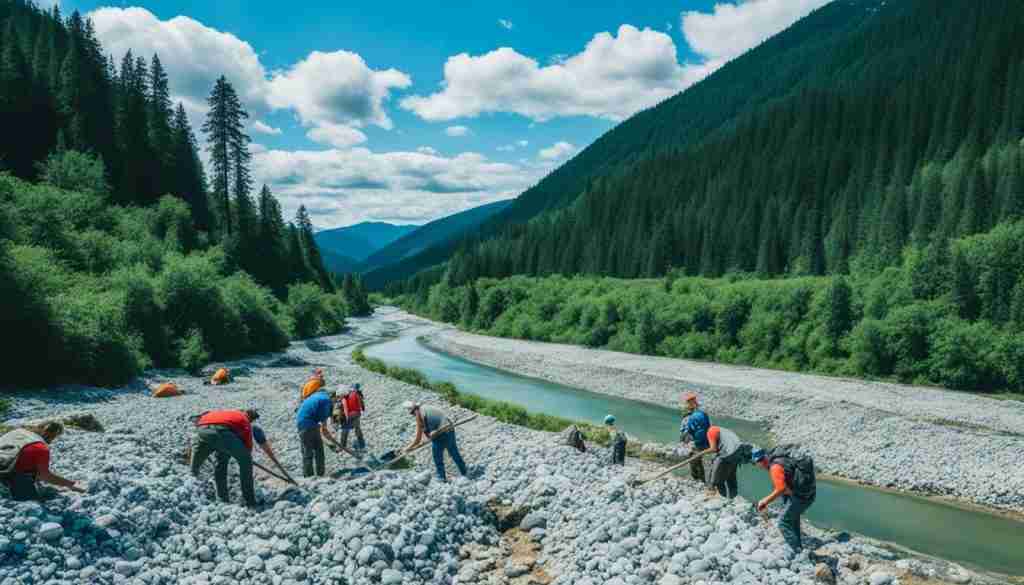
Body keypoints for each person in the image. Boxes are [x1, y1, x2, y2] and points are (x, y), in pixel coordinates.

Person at [752, 446, 817, 552]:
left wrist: (765, 501)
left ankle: (798, 552)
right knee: (793, 518)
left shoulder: (775, 467)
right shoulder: (780, 459)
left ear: (761, 461)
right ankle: (798, 544)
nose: (758, 466)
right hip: (809, 491)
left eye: (757, 463)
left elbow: (781, 489)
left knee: (783, 523)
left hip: (801, 497)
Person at [190, 409, 261, 506]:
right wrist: (245, 456)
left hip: (202, 429)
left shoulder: (230, 413)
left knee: (221, 459)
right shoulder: (245, 420)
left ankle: (222, 498)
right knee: (246, 461)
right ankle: (250, 501)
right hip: (221, 432)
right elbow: (247, 447)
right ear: (250, 418)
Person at [1, 423, 85, 501]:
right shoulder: (41, 448)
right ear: (52, 436)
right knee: (34, 503)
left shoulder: (16, 432)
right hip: (10, 475)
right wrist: (71, 484)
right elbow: (44, 476)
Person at [401, 401, 467, 482]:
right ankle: (465, 472)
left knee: (437, 456)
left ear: (414, 410)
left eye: (412, 413)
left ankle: (441, 477)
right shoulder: (425, 408)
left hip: (442, 432)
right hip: (449, 428)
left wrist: (407, 448)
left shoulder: (420, 415)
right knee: (454, 452)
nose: (413, 415)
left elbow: (418, 439)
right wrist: (429, 436)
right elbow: (427, 429)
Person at [297, 389, 348, 477]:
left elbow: (322, 425)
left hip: (303, 423)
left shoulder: (319, 395)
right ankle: (313, 476)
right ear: (335, 397)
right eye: (337, 400)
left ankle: (312, 476)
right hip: (307, 425)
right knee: (311, 451)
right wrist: (330, 438)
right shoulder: (326, 401)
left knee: (314, 450)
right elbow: (324, 427)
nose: (336, 402)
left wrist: (326, 434)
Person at [698, 426, 751, 499]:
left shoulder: (710, 432)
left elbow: (713, 449)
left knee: (717, 471)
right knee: (731, 476)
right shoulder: (722, 430)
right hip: (738, 451)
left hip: (729, 453)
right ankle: (733, 497)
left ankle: (713, 491)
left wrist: (701, 453)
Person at [679, 392, 710, 482]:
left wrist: (684, 440)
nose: (688, 404)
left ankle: (699, 481)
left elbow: (689, 430)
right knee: (696, 461)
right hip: (697, 441)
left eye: (689, 401)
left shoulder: (695, 414)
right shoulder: (697, 412)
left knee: (694, 461)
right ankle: (700, 481)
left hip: (696, 442)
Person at [338, 384, 366, 451]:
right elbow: (361, 404)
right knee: (357, 428)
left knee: (345, 430)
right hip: (356, 414)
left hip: (348, 414)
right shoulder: (356, 394)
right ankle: (361, 444)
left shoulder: (344, 395)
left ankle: (342, 446)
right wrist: (362, 408)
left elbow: (343, 407)